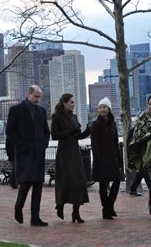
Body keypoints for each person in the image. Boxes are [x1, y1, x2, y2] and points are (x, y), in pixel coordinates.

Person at [5, 85, 50, 226]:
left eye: (39, 97)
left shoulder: (42, 111)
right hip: (25, 153)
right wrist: (20, 145)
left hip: (39, 152)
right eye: (36, 96)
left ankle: (35, 218)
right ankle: (18, 207)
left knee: (38, 185)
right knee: (26, 183)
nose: (38, 99)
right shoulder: (16, 110)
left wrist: (44, 143)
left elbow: (46, 130)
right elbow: (10, 131)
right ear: (29, 94)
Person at [51, 93, 90, 223]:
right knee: (65, 181)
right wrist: (70, 131)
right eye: (71, 102)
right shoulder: (56, 117)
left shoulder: (74, 117)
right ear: (64, 103)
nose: (73, 104)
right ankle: (60, 205)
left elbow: (78, 136)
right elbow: (54, 136)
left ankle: (76, 212)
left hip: (75, 152)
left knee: (78, 182)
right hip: (64, 153)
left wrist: (88, 131)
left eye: (74, 102)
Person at [90, 97, 121, 220]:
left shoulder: (113, 123)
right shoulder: (96, 124)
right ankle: (105, 209)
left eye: (104, 107)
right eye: (100, 107)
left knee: (117, 181)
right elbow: (94, 143)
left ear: (109, 109)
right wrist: (97, 158)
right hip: (101, 158)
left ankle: (110, 205)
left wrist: (119, 158)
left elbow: (115, 142)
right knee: (103, 185)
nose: (102, 109)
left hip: (112, 158)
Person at [127, 126, 151, 197]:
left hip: (140, 154)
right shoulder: (135, 130)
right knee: (144, 170)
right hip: (138, 154)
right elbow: (130, 143)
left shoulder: (137, 129)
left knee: (141, 171)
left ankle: (133, 189)